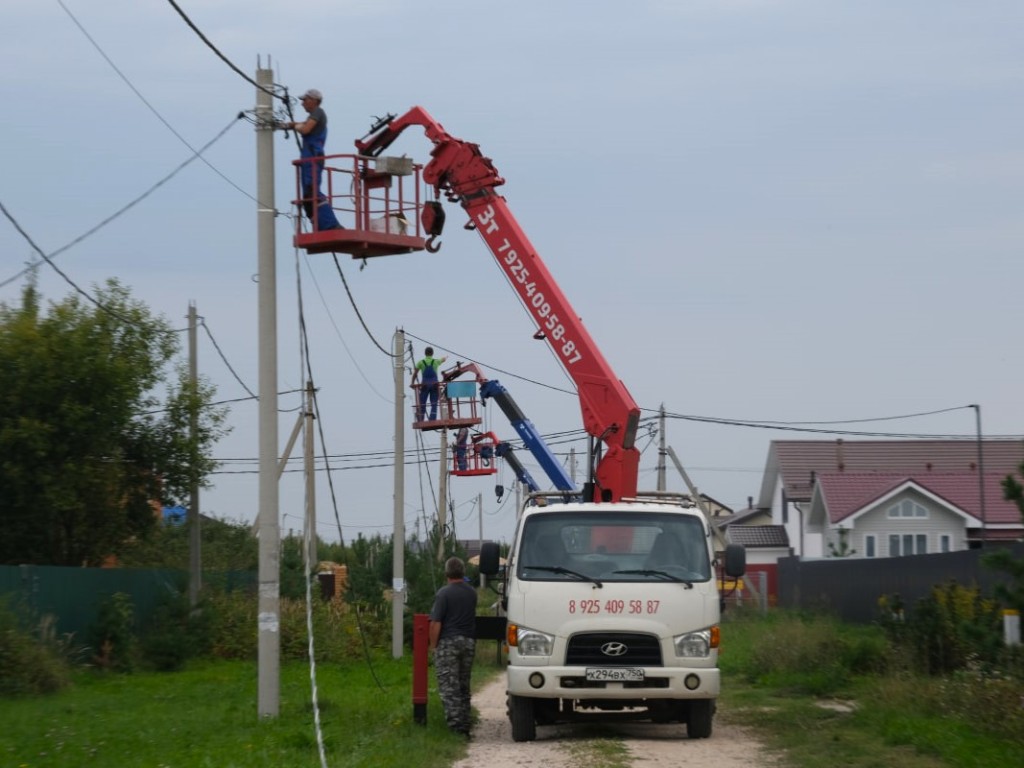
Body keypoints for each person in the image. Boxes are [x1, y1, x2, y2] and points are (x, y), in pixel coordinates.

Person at [429, 556, 477, 738]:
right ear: (463, 571)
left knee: (450, 686)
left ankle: (457, 728)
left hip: (448, 643)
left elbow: (436, 623)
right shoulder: (471, 593)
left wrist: (433, 646)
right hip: (469, 641)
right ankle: (466, 721)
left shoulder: (444, 594)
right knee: (464, 684)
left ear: (447, 572)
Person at [282, 88, 343, 231]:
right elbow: (304, 125)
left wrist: (295, 126)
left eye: (305, 100)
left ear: (314, 101)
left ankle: (331, 224)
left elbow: (305, 129)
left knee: (312, 191)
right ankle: (320, 225)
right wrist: (290, 125)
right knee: (307, 196)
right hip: (308, 158)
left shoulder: (318, 112)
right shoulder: (314, 116)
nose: (303, 103)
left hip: (313, 158)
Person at [410, 346, 447, 421]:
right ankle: (432, 418)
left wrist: (412, 383)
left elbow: (415, 374)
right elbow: (442, 360)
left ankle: (421, 418)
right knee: (434, 403)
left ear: (425, 353)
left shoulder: (420, 362)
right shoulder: (436, 361)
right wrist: (446, 357)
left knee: (422, 402)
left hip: (425, 385)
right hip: (434, 385)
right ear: (432, 353)